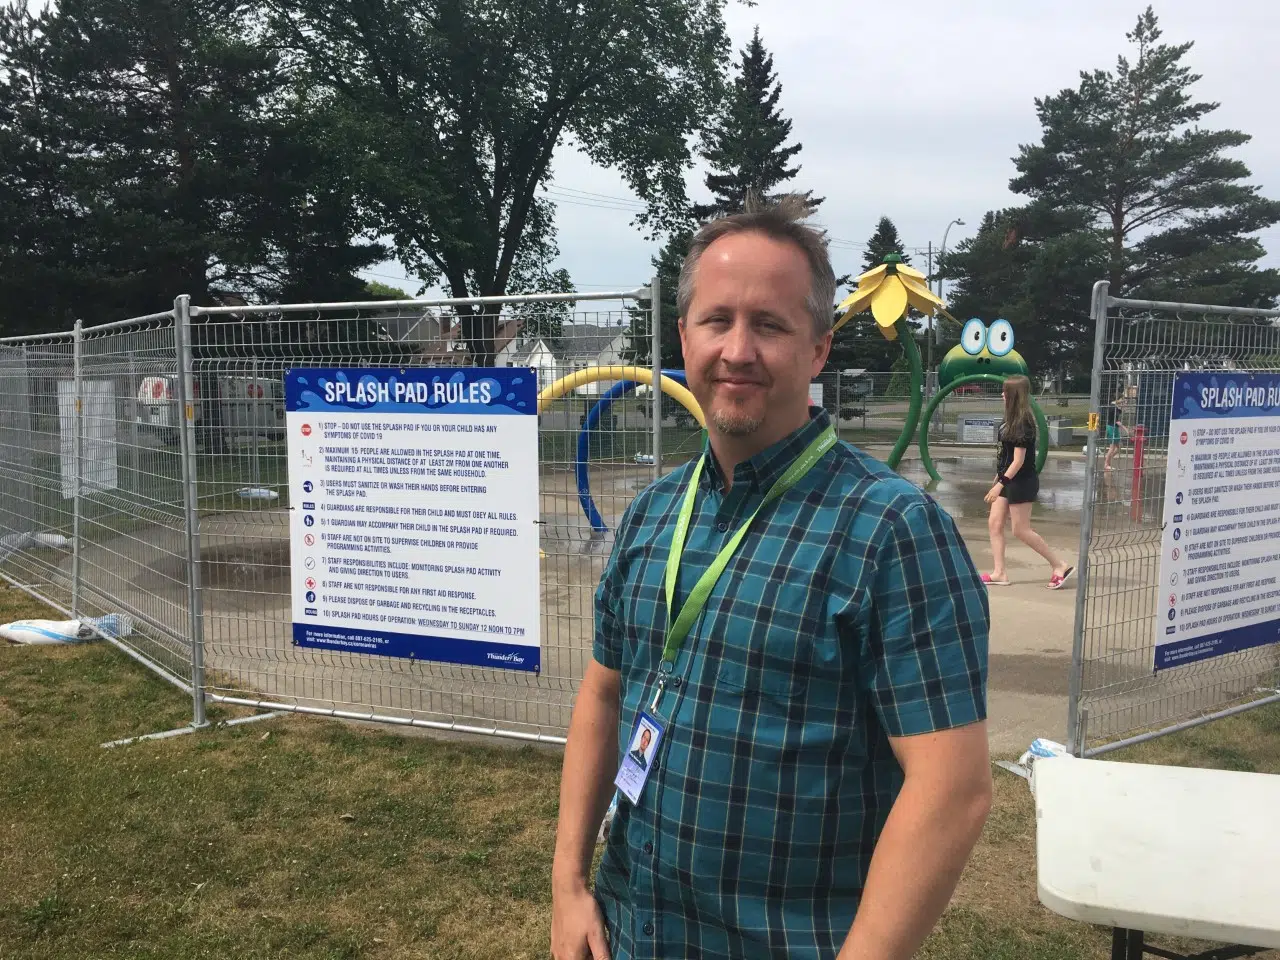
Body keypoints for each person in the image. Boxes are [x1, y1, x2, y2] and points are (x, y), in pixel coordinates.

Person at [551, 194, 993, 960]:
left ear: (818, 349)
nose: (738, 350)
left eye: (771, 325)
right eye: (718, 320)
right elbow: (604, 692)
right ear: (684, 335)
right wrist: (568, 886)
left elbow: (951, 790)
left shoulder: (891, 531)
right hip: (629, 933)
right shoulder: (655, 512)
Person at [981, 375, 1074, 589]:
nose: (1002, 395)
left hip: (1021, 482)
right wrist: (998, 477)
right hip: (1006, 480)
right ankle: (1000, 572)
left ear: (1014, 395)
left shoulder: (1023, 422)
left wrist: (1000, 484)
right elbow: (1005, 455)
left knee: (1020, 529)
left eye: (1006, 391)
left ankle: (1059, 565)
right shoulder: (1009, 419)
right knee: (994, 523)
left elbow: (1018, 461)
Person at [1103, 389, 1130, 472]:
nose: (1122, 400)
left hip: (1114, 428)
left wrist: (1124, 405)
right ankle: (1106, 464)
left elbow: (1120, 411)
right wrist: (1126, 429)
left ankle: (1107, 460)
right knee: (1112, 447)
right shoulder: (1112, 408)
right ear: (1118, 399)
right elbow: (1116, 421)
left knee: (1118, 447)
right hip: (1112, 428)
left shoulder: (1114, 407)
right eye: (1121, 399)